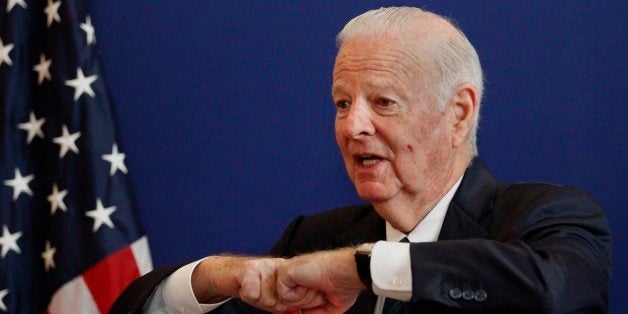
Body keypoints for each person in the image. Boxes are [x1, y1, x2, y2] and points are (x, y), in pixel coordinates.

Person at [111, 7, 611, 313]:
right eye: (342, 103)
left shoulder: (547, 218)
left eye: (384, 102)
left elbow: (554, 292)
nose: (353, 128)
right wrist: (218, 277)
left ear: (458, 114)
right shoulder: (311, 240)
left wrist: (362, 269)